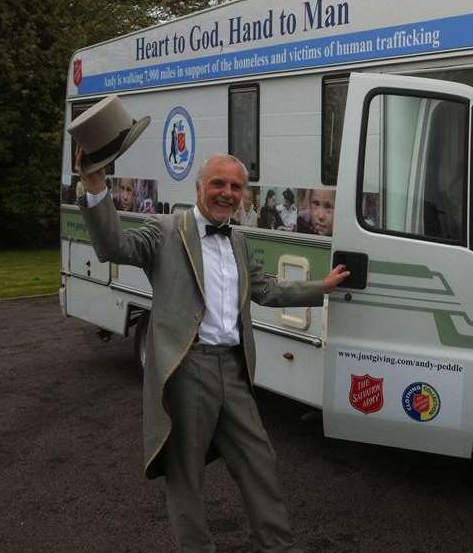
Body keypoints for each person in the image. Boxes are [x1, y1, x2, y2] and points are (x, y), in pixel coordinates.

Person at [75, 149, 350, 552]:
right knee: (186, 474)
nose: (227, 192)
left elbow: (266, 289)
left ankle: (275, 545)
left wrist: (321, 288)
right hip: (188, 368)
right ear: (200, 186)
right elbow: (115, 247)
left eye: (236, 186)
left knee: (260, 462)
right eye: (218, 183)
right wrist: (96, 186)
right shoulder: (166, 230)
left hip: (234, 370)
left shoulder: (238, 239)